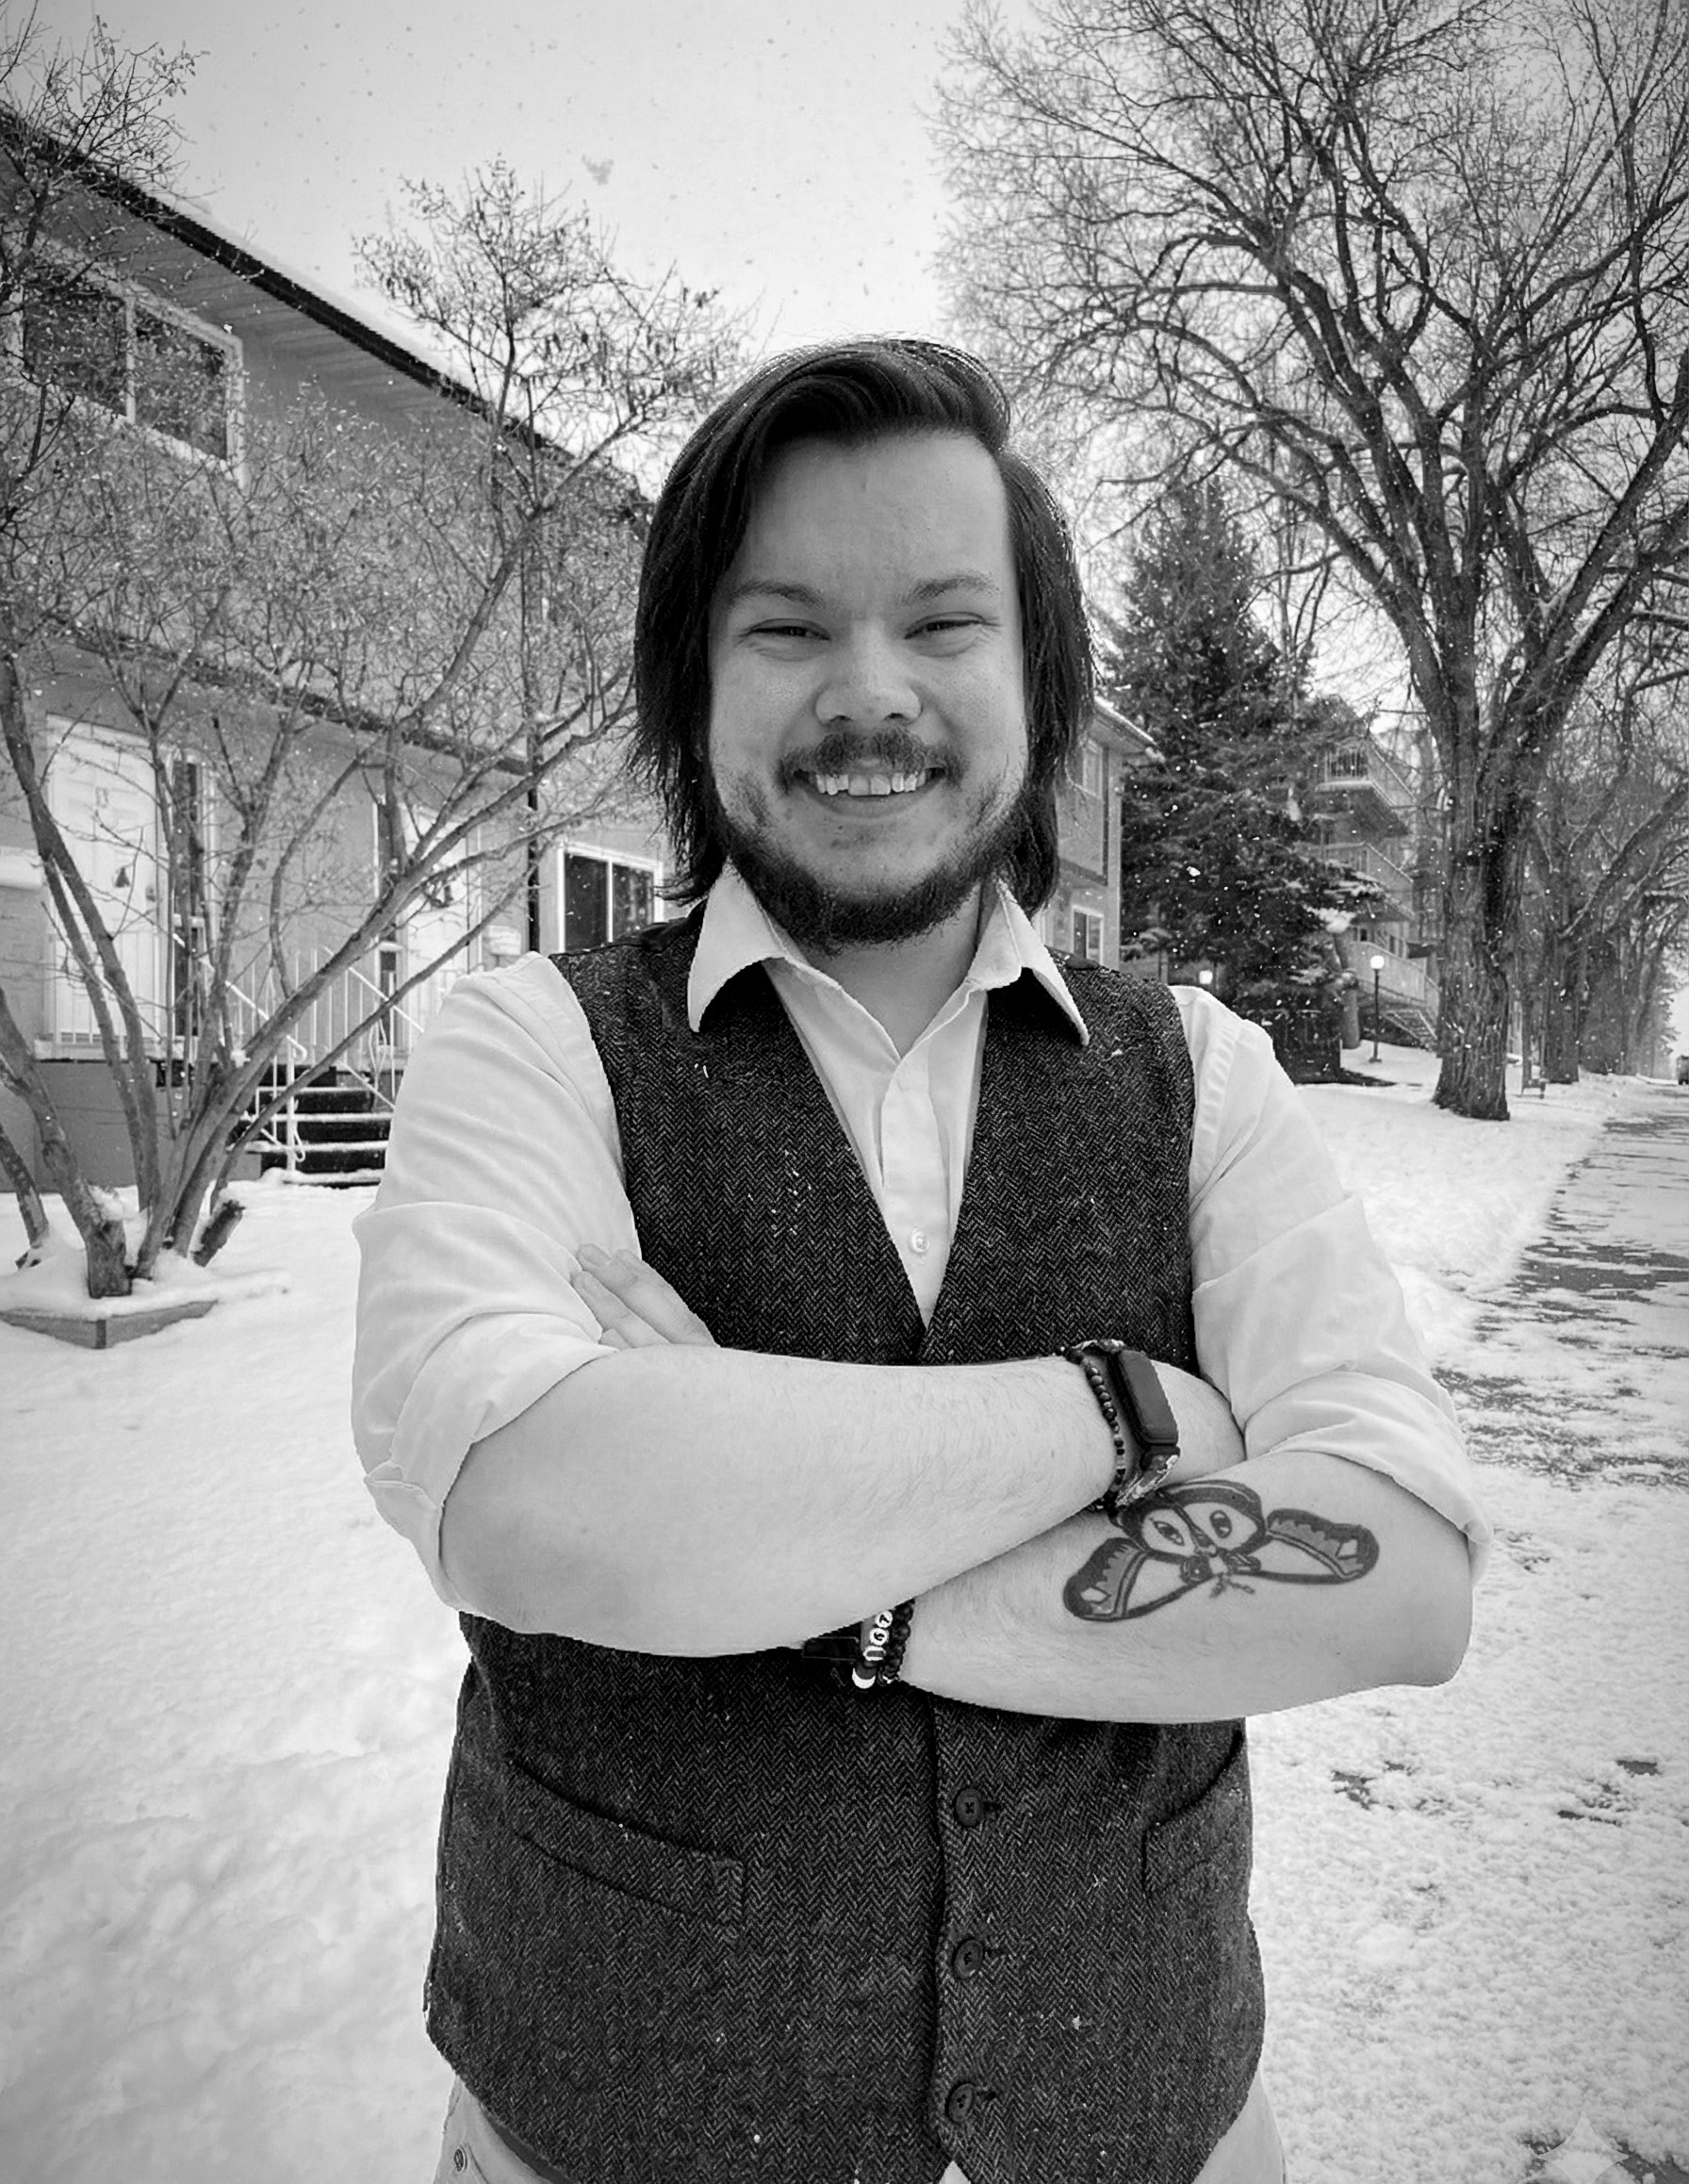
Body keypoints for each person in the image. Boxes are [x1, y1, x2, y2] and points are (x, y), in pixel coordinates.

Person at [352, 339, 1487, 2184]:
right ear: (692, 677)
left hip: (1145, 2127)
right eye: (786, 627)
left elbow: (1399, 1580)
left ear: (1036, 682)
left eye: (943, 623)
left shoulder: (1200, 1078)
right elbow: (527, 1506)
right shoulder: (525, 1048)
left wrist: (827, 1578)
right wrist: (1121, 1406)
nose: (867, 690)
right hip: (605, 2128)